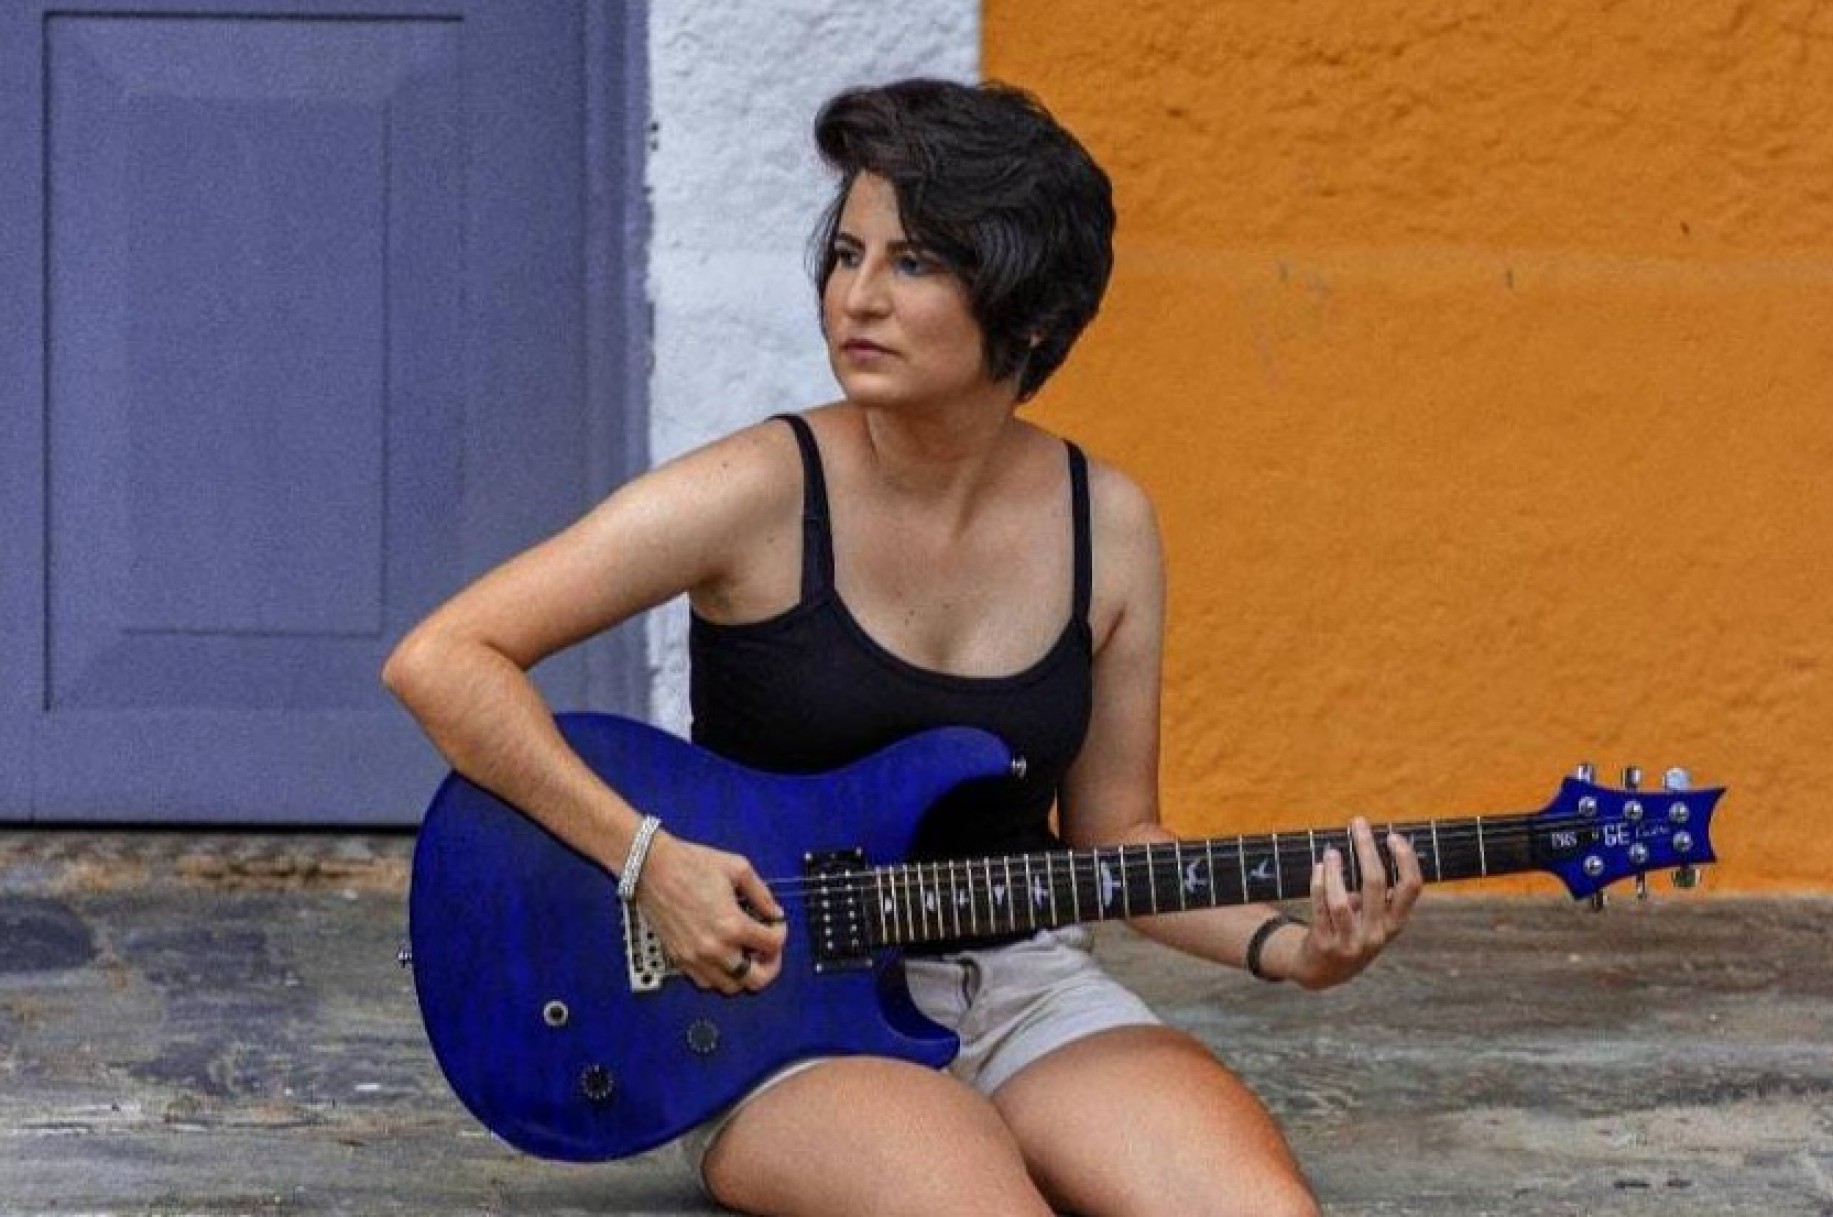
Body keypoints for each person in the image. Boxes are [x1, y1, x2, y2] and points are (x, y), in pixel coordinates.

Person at [384, 78, 1421, 1217]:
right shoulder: (758, 491)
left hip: (1025, 989)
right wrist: (650, 861)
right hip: (776, 1011)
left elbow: (1119, 838)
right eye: (847, 254)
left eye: (914, 263)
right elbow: (445, 658)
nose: (856, 297)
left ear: (1029, 313)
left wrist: (1293, 949)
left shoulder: (1107, 525)